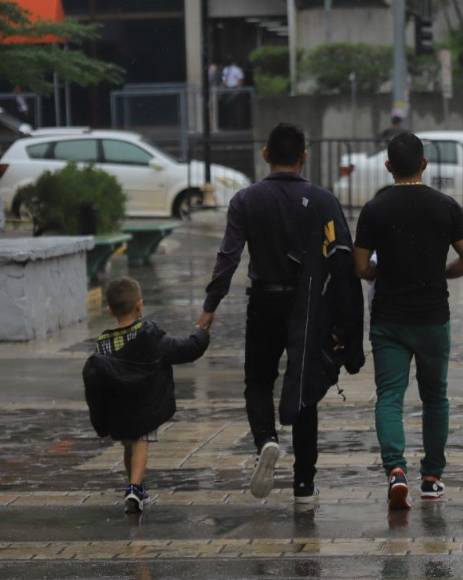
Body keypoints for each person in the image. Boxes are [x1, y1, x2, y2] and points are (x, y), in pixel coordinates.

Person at [197, 123, 364, 503]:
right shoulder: (323, 200)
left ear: (265, 155)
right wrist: (345, 322)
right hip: (309, 307)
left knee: (258, 380)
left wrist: (210, 306)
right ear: (304, 156)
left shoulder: (246, 200)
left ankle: (266, 442)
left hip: (264, 301)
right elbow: (342, 261)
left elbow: (228, 256)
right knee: (304, 384)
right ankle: (304, 482)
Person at [353, 132, 463, 511]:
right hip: (432, 318)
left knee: (389, 397)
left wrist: (380, 272)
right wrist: (442, 274)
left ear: (389, 166)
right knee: (434, 397)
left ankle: (395, 471)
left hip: (389, 319)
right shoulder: (446, 207)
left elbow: (360, 266)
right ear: (424, 164)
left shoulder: (375, 209)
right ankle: (432, 478)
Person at [83, 277, 210, 514]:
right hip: (144, 404)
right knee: (141, 440)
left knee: (129, 444)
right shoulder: (149, 336)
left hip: (118, 409)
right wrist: (201, 333)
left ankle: (133, 484)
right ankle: (135, 487)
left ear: (109, 310)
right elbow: (186, 349)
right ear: (140, 304)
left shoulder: (102, 344)